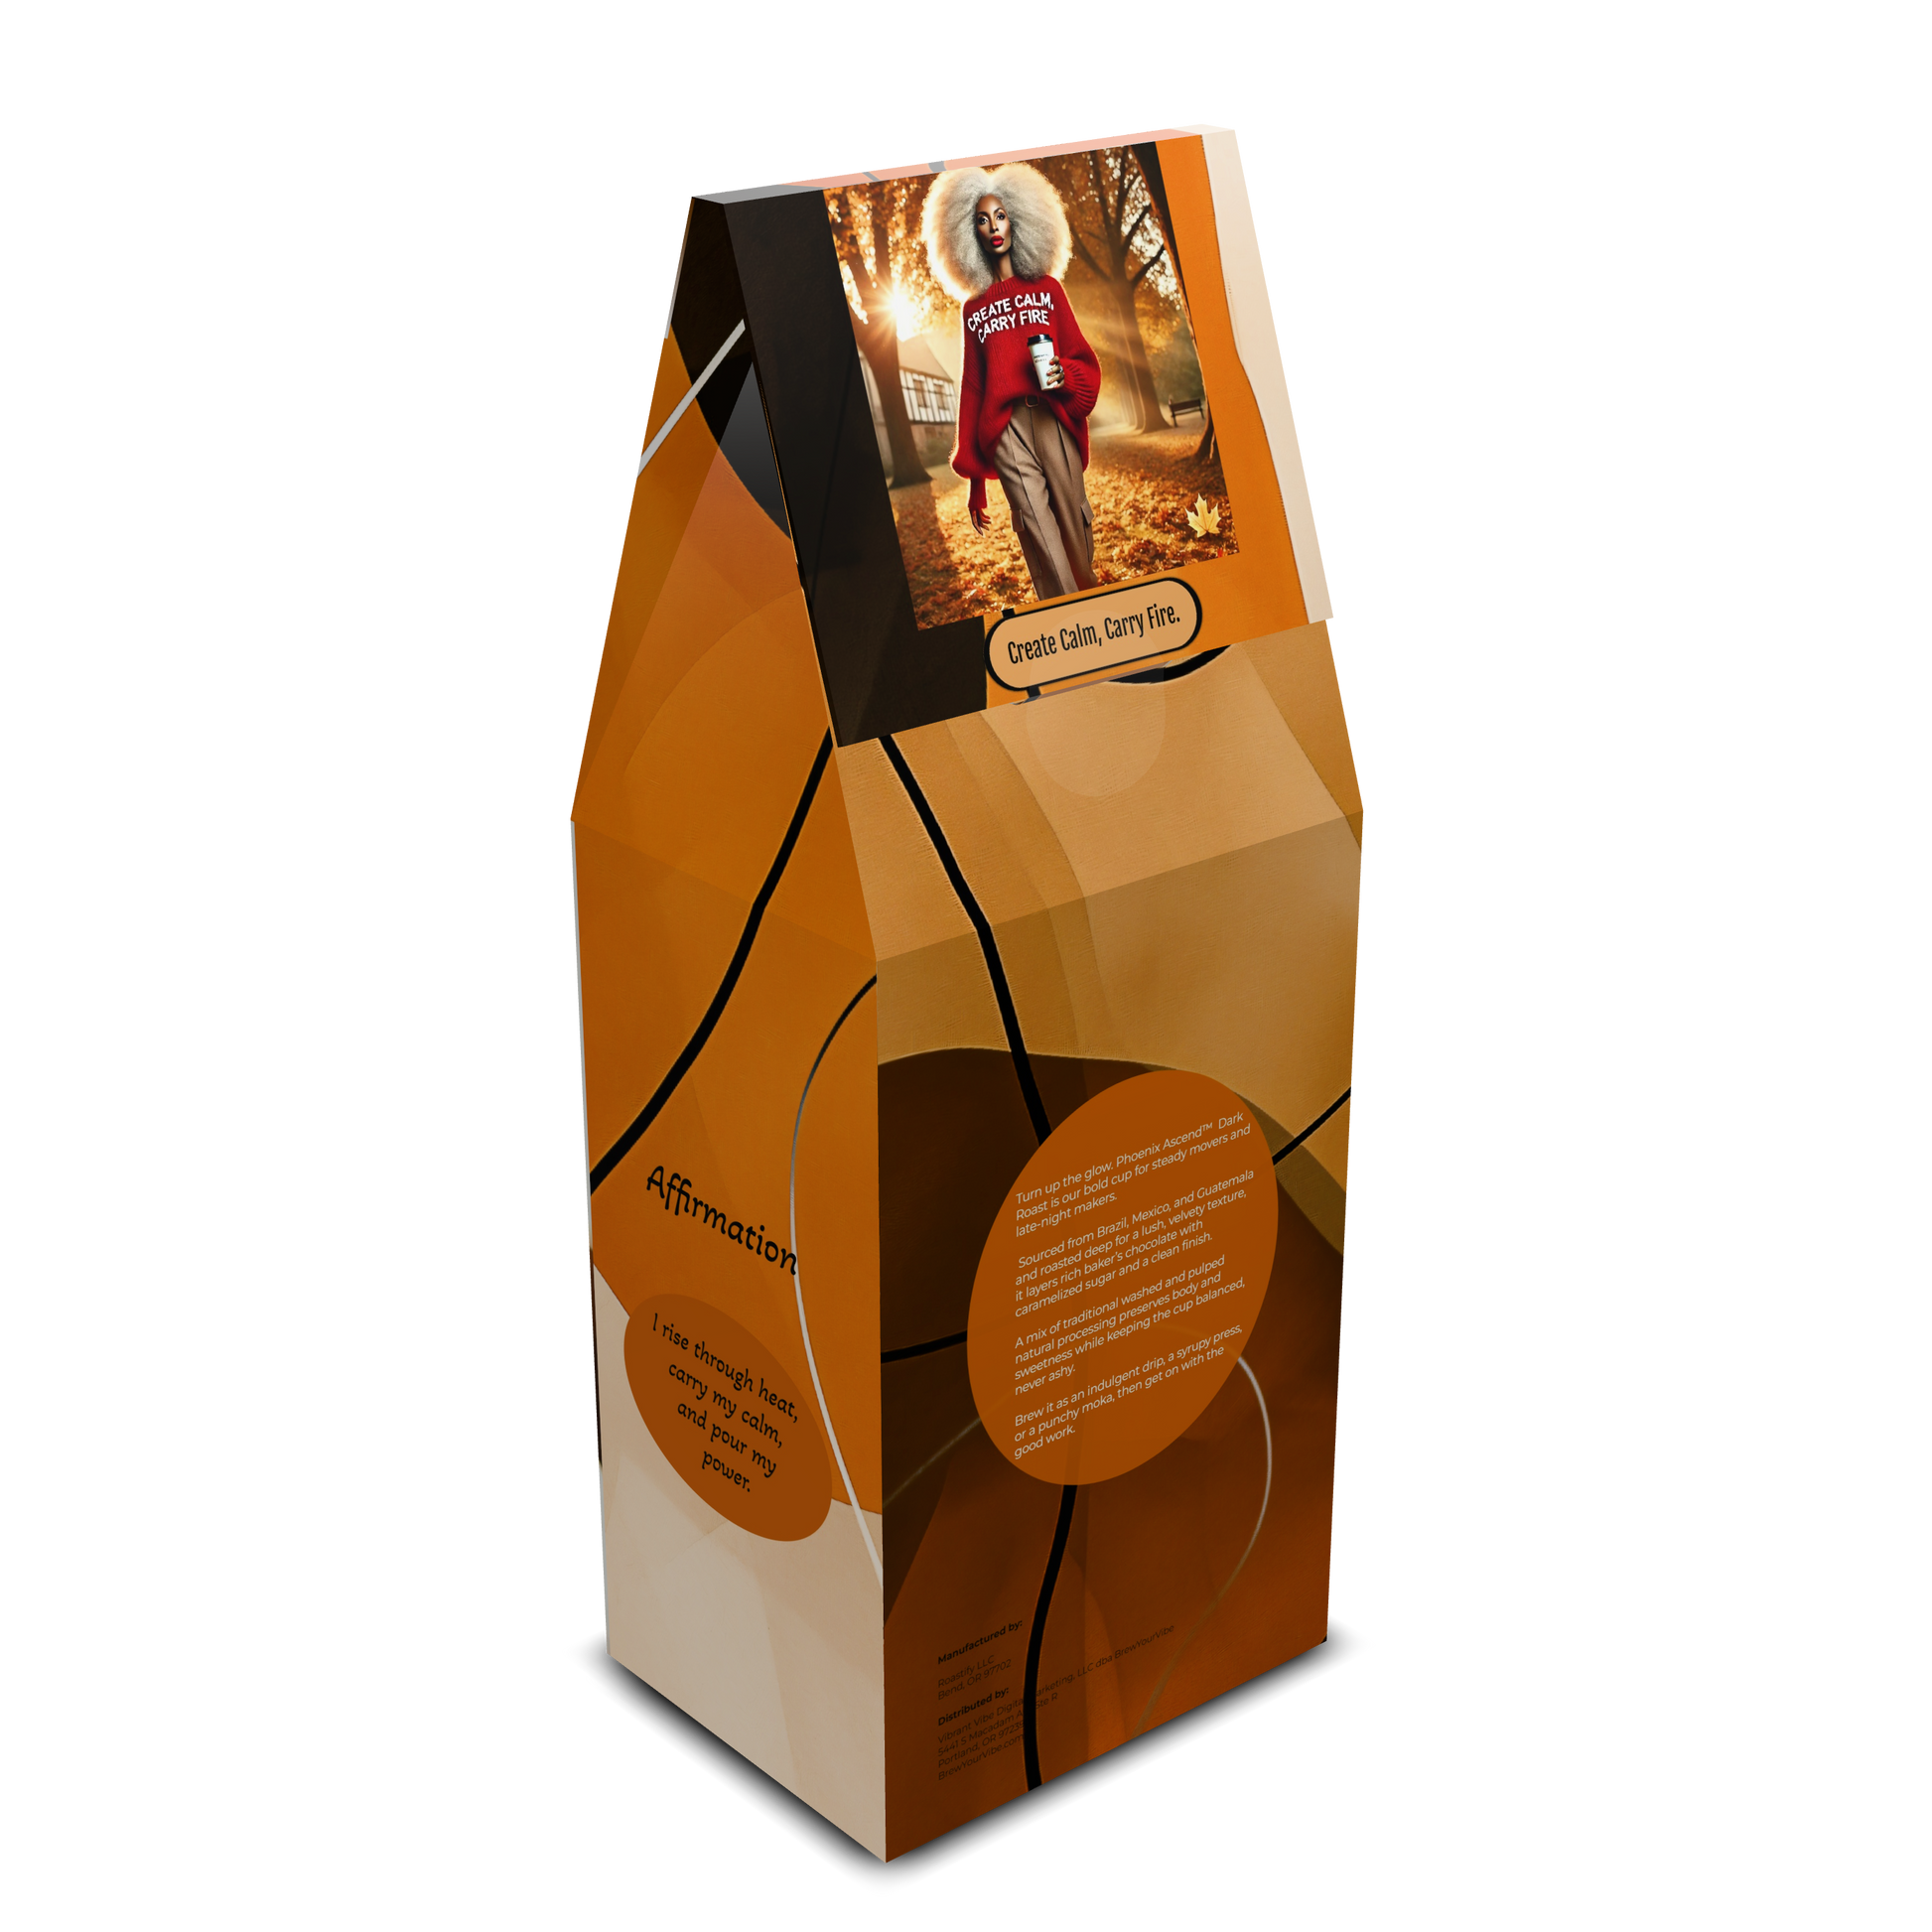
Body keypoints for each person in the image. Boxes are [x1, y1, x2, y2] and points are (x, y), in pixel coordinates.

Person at [922, 164, 1102, 603]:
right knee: (1037, 532)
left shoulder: (1049, 290)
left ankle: (1092, 601)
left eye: (1000, 215)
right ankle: (1064, 616)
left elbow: (1081, 358)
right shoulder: (973, 310)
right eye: (981, 220)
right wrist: (975, 480)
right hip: (1006, 434)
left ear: (1017, 218)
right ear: (968, 234)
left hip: (1054, 421)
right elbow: (973, 389)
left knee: (1075, 532)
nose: (993, 226)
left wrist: (1063, 376)